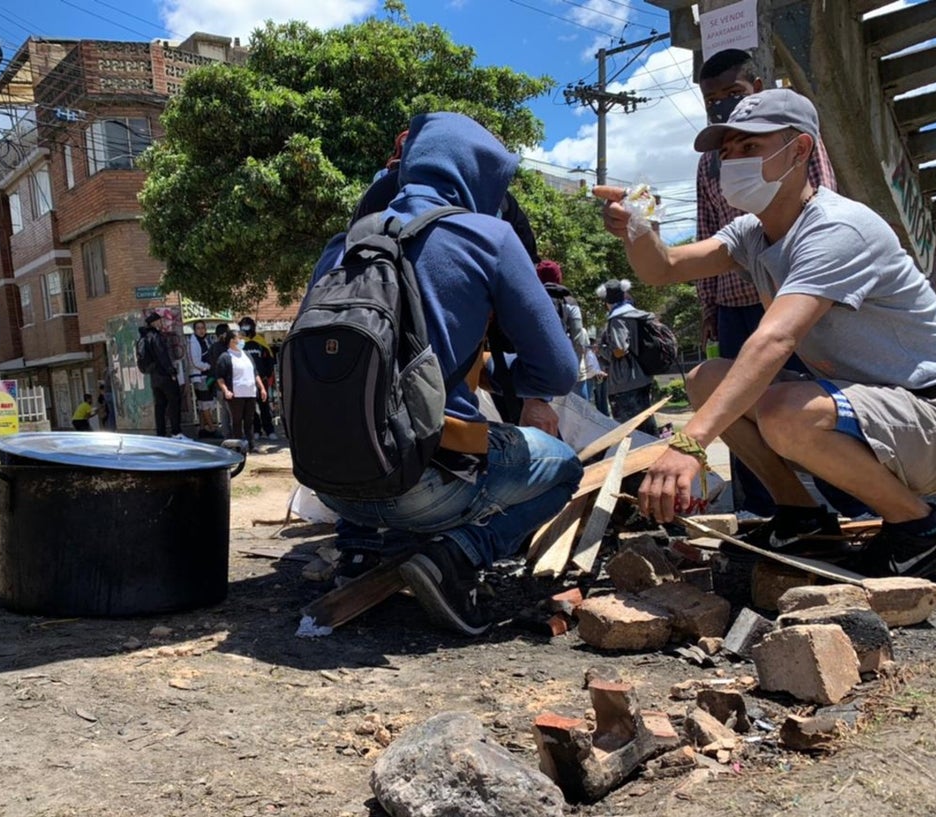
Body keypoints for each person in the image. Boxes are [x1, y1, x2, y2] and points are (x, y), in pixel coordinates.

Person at [593, 88, 936, 578]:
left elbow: (774, 341)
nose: (734, 161)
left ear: (800, 150)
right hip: (882, 415)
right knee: (707, 378)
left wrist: (688, 444)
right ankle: (802, 518)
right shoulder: (752, 234)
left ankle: (923, 529)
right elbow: (662, 268)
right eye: (728, 151)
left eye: (751, 147)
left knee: (785, 411)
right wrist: (638, 227)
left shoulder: (836, 228)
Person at [307, 111, 583, 635]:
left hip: (333, 484)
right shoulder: (488, 236)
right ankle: (455, 557)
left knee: (367, 413)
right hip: (429, 485)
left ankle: (360, 554)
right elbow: (559, 370)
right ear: (483, 173)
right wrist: (518, 383)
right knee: (566, 467)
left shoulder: (342, 245)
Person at [695, 49, 846, 518]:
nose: (722, 104)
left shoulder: (794, 143)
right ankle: (767, 508)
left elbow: (821, 206)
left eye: (733, 93)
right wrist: (709, 308)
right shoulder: (710, 162)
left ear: (757, 89)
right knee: (736, 403)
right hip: (736, 305)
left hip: (789, 298)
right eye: (712, 100)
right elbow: (705, 232)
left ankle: (850, 502)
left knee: (806, 402)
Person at [596, 279, 660, 437]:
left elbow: (619, 350)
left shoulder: (617, 319)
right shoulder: (636, 315)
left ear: (607, 301)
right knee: (646, 428)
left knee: (631, 433)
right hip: (643, 377)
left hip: (625, 383)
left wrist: (601, 350)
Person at [215, 329, 266, 452]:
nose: (242, 341)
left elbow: (255, 373)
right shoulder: (225, 357)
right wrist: (226, 390)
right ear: (232, 341)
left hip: (250, 392)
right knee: (237, 421)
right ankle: (237, 446)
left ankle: (251, 445)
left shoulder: (247, 355)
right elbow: (220, 378)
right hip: (236, 394)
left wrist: (262, 388)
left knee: (249, 421)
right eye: (240, 338)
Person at [138, 311, 187, 438]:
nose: (162, 323)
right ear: (155, 322)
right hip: (164, 375)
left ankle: (161, 434)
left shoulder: (143, 337)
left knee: (160, 406)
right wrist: (171, 371)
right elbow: (162, 356)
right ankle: (176, 432)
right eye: (160, 321)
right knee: (174, 402)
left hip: (154, 377)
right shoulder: (156, 336)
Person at [238, 316, 278, 440]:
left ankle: (269, 430)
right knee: (251, 408)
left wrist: (268, 375)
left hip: (262, 380)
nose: (245, 328)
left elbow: (269, 359)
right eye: (243, 325)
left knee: (264, 406)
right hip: (247, 381)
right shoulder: (240, 343)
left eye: (247, 325)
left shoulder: (260, 341)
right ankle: (256, 430)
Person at [188, 320, 220, 438]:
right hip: (199, 376)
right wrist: (208, 366)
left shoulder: (205, 340)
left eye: (203, 328)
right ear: (194, 330)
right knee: (205, 402)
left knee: (204, 403)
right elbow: (195, 361)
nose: (201, 330)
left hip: (207, 376)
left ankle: (202, 429)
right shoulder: (193, 342)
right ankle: (212, 428)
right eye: (198, 328)